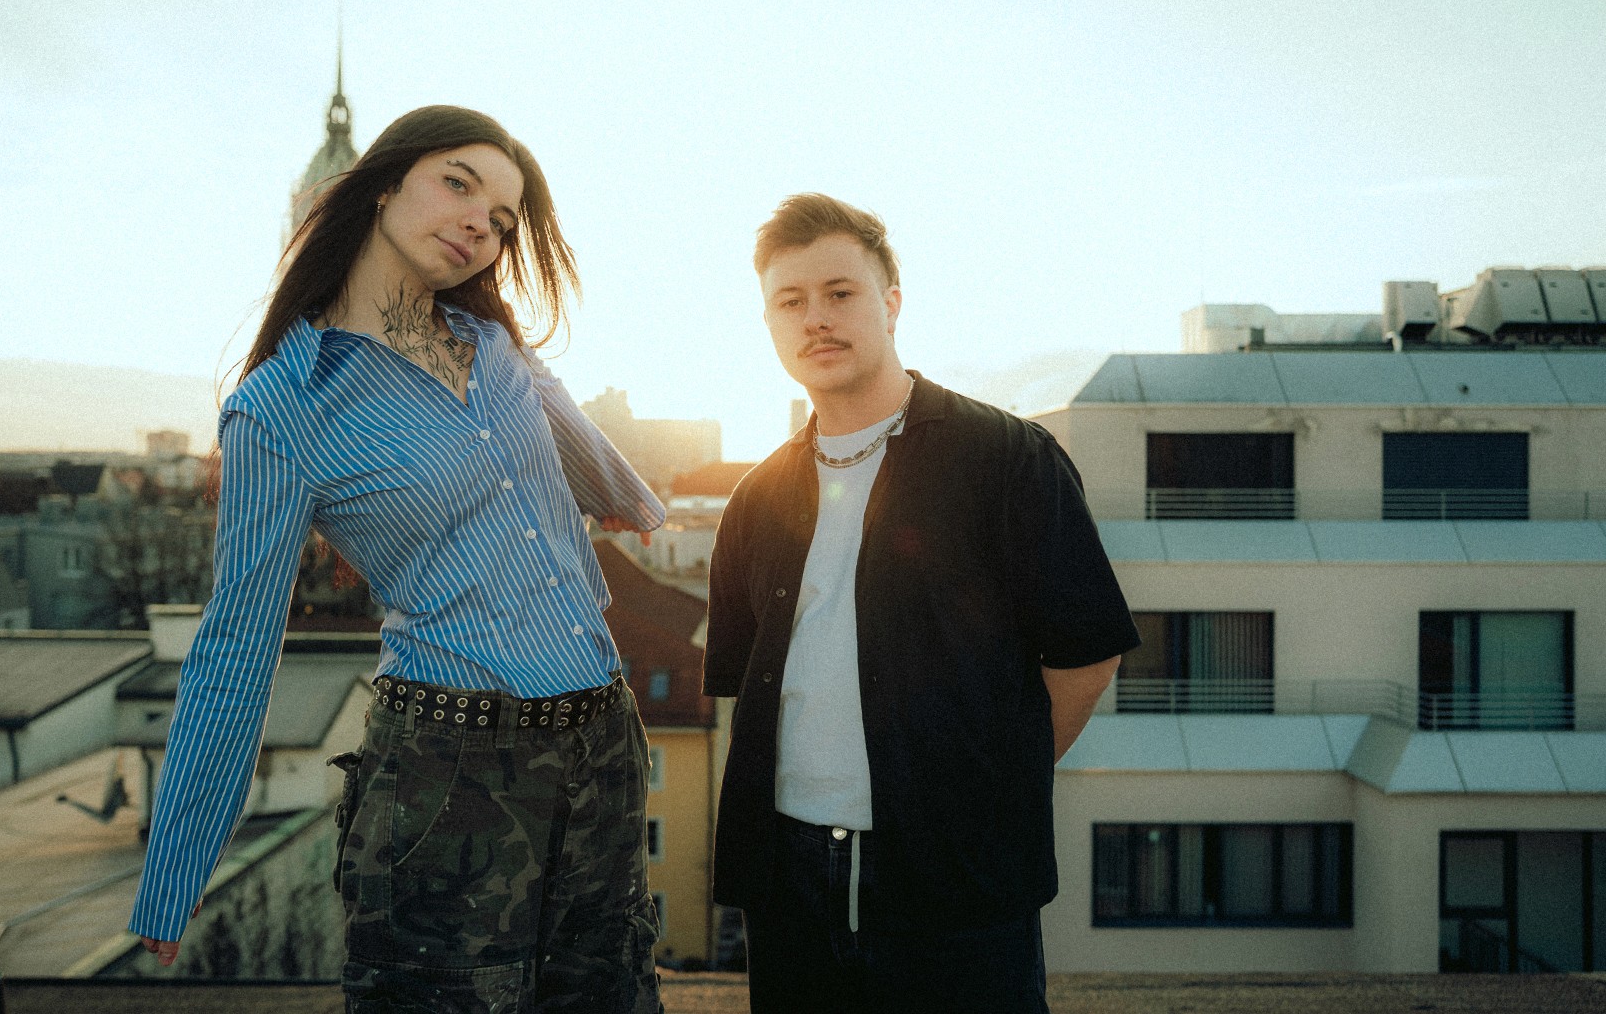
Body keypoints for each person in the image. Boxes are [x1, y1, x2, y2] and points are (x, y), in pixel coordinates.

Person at [128, 105, 666, 1014]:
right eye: (459, 184)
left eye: (502, 220)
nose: (479, 225)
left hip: (605, 745)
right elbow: (235, 649)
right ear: (382, 185)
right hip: (451, 771)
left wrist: (610, 467)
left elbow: (597, 465)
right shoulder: (284, 406)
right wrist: (177, 871)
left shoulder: (495, 348)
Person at [704, 194, 1139, 1013]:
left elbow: (1086, 654)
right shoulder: (755, 498)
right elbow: (744, 685)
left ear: (891, 304)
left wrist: (981, 791)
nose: (816, 320)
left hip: (956, 879)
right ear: (768, 323)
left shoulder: (1008, 459)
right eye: (790, 302)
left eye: (840, 293)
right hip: (789, 878)